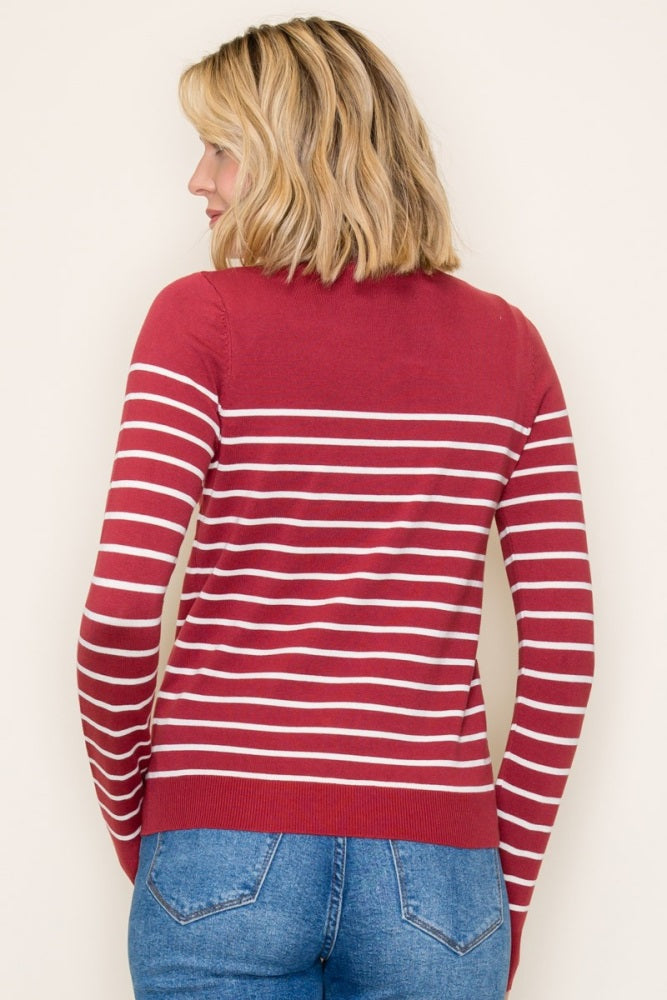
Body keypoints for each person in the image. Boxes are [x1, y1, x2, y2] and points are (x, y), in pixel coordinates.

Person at [76, 15, 595, 1000]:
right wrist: (503, 894)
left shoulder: (199, 318)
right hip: (442, 877)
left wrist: (148, 822)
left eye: (220, 149)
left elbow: (117, 618)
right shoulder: (510, 346)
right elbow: (564, 656)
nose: (197, 180)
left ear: (290, 156)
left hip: (218, 843)